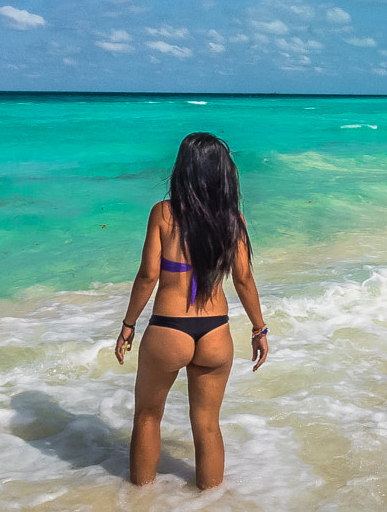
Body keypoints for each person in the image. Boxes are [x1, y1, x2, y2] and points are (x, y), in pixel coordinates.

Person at [114, 132, 270, 489]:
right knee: (207, 424)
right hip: (216, 332)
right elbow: (244, 279)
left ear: (183, 170)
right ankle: (210, 511)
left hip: (169, 328)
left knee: (148, 417)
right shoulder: (234, 220)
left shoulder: (164, 213)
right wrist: (259, 330)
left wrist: (128, 325)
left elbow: (148, 275)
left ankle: (139, 508)